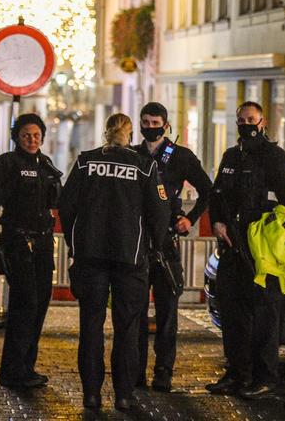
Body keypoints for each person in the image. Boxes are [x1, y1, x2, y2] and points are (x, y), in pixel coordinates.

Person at [58, 113, 170, 412]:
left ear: (105, 131)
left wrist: (75, 243)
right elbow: (160, 213)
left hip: (90, 257)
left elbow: (66, 206)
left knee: (91, 327)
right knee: (127, 329)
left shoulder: (85, 162)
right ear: (130, 134)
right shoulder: (144, 166)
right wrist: (154, 247)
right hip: (129, 259)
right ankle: (123, 395)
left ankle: (91, 396)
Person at [206, 101, 285, 399]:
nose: (246, 125)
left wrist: (266, 234)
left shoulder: (275, 157)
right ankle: (236, 373)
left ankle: (265, 377)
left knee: (264, 315)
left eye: (251, 119)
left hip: (262, 251)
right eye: (241, 120)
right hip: (231, 246)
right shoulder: (231, 156)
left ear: (263, 121)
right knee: (233, 313)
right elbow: (216, 195)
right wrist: (217, 223)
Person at [132, 102, 212, 393]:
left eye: (155, 123)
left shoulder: (181, 157)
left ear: (166, 125)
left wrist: (189, 219)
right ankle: (135, 371)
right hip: (138, 245)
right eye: (146, 122)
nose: (150, 127)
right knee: (134, 313)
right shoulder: (133, 155)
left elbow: (208, 190)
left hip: (166, 244)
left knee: (167, 313)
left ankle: (163, 371)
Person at [0, 113, 62, 389]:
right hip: (18, 242)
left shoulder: (46, 164)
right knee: (25, 304)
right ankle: (12, 370)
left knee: (40, 303)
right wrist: (16, 181)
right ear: (16, 138)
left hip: (43, 242)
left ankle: (27, 367)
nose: (32, 140)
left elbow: (58, 200)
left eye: (36, 135)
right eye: (26, 135)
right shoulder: (7, 163)